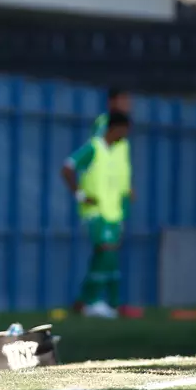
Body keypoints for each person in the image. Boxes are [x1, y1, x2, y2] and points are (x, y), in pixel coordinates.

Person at [61, 112, 132, 318]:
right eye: (124, 130)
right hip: (95, 212)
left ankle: (87, 302)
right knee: (106, 251)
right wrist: (80, 195)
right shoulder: (94, 147)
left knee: (107, 258)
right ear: (114, 129)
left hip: (113, 213)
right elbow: (67, 168)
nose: (126, 135)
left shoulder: (116, 151)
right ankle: (94, 302)